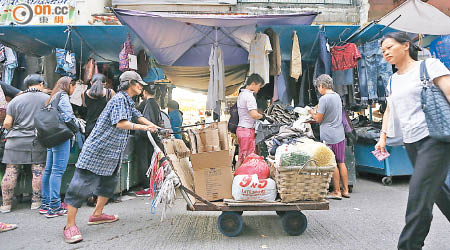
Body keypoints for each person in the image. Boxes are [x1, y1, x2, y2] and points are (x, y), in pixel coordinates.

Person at [63, 71, 158, 244]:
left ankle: (97, 214)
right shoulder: (119, 99)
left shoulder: (127, 101)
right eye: (139, 83)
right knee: (80, 186)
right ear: (130, 83)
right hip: (97, 150)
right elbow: (121, 123)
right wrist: (144, 128)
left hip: (112, 152)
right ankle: (69, 225)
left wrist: (152, 124)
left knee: (109, 184)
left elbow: (137, 115)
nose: (141, 86)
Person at [376, 32, 450, 250]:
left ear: (406, 45)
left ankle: (408, 246)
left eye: (389, 47)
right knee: (437, 191)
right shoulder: (392, 80)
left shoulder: (429, 66)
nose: (385, 53)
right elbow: (390, 109)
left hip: (434, 138)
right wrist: (382, 137)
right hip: (412, 142)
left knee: (418, 194)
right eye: (382, 51)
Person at [0, 74, 48, 213]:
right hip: (36, 140)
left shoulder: (16, 100)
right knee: (38, 170)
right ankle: (36, 202)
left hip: (14, 141)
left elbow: (7, 123)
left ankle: (6, 205)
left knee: (11, 170)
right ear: (41, 84)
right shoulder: (47, 99)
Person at [40, 77, 79, 218]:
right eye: (74, 87)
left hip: (50, 137)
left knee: (49, 170)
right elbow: (69, 117)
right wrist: (77, 127)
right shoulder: (63, 96)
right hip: (61, 136)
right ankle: (55, 206)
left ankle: (45, 204)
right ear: (69, 85)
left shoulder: (52, 96)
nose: (74, 90)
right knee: (57, 171)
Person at [309, 74, 349, 200]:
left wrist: (311, 112)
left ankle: (336, 191)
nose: (318, 90)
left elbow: (318, 119)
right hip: (340, 134)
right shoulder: (337, 96)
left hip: (329, 135)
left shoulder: (324, 99)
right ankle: (346, 190)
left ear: (322, 86)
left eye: (318, 87)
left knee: (332, 163)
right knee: (341, 162)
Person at [134, 84, 163, 196]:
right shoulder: (155, 103)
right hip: (151, 137)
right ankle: (152, 185)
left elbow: (139, 118)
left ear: (145, 92)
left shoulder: (146, 103)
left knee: (143, 161)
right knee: (150, 160)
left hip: (144, 136)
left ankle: (147, 187)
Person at [236, 73, 265, 168]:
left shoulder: (241, 94)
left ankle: (237, 179)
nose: (259, 89)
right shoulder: (249, 96)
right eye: (259, 86)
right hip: (247, 131)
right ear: (253, 84)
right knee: (248, 159)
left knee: (241, 157)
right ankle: (244, 180)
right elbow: (254, 114)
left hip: (241, 129)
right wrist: (263, 116)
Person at [82, 73, 115, 138]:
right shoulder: (110, 93)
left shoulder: (84, 93)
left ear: (91, 83)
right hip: (105, 128)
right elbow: (114, 110)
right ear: (105, 83)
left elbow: (84, 107)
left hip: (89, 127)